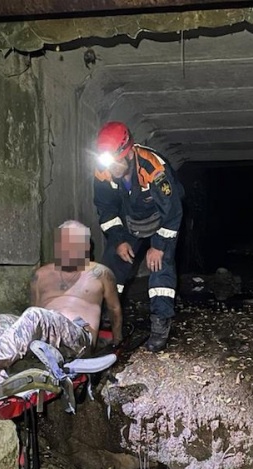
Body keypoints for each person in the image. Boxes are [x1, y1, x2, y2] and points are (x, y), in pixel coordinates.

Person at [0, 220, 122, 382]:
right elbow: (32, 317)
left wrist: (117, 342)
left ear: (86, 246)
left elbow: (114, 309)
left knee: (36, 315)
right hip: (44, 341)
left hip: (78, 338)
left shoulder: (100, 273)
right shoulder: (41, 274)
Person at [93, 121, 184, 352]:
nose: (112, 169)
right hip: (131, 223)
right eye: (108, 163)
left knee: (159, 269)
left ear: (128, 152)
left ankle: (160, 325)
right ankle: (106, 319)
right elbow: (106, 209)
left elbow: (173, 212)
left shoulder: (152, 166)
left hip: (162, 220)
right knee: (112, 267)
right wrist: (118, 239)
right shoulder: (103, 171)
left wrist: (159, 246)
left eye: (116, 162)